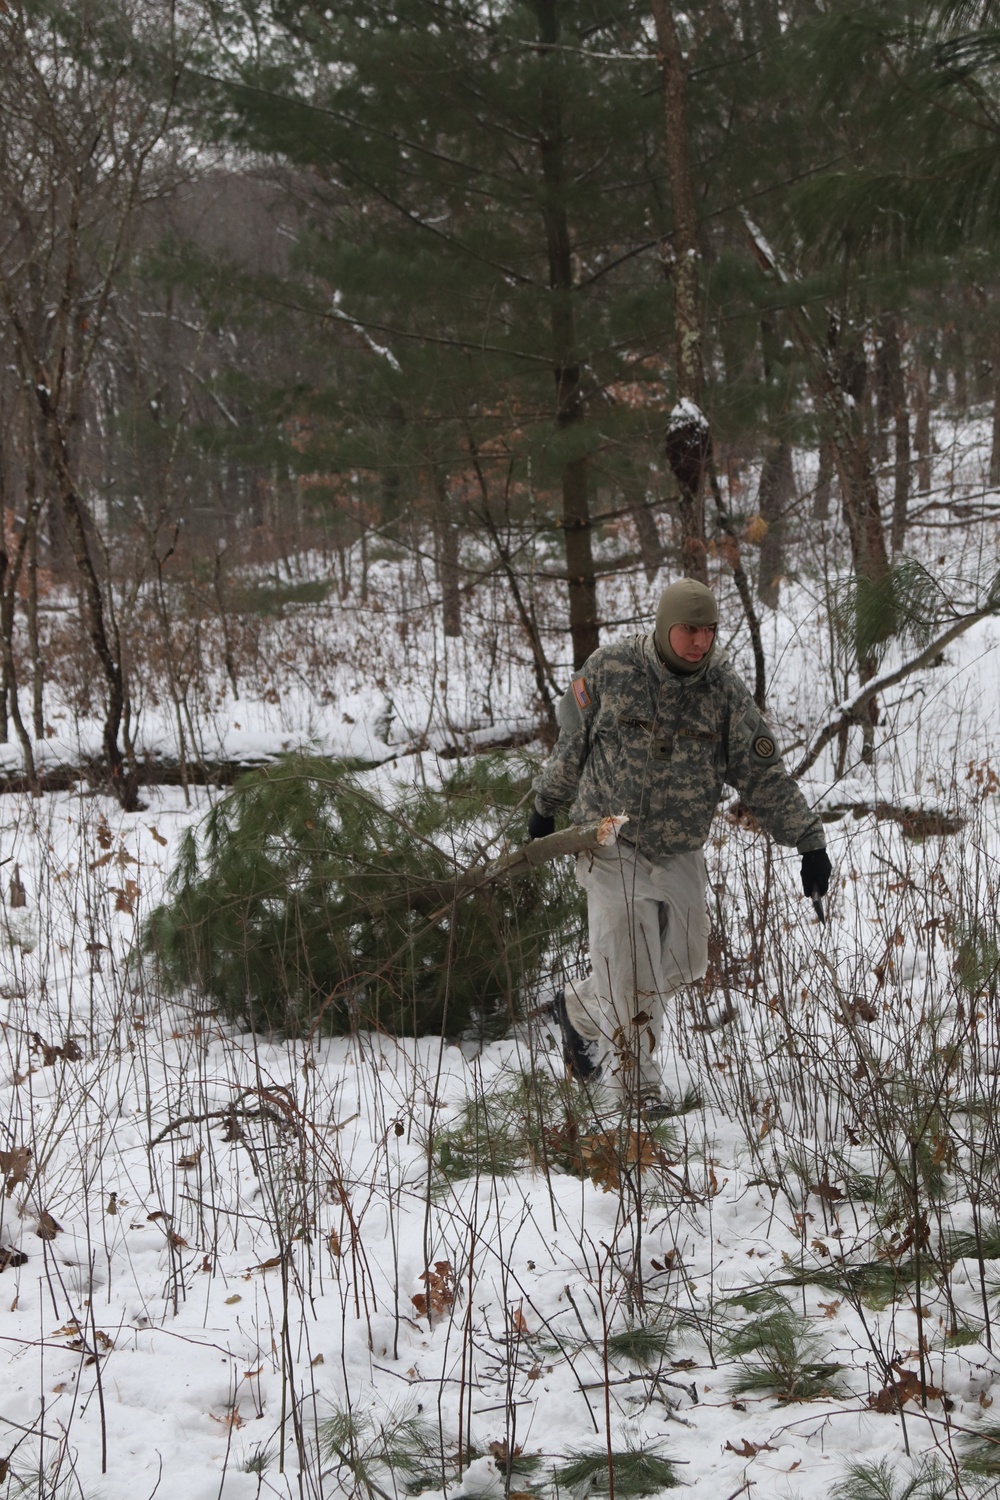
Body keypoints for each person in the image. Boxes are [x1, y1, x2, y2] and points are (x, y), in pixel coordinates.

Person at [528, 578, 831, 1111]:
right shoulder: (610, 669)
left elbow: (764, 776)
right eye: (689, 629)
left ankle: (578, 1008)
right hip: (608, 841)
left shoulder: (723, 693)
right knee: (631, 965)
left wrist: (808, 841)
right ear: (666, 625)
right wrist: (544, 805)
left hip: (679, 847)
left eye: (709, 630)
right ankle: (637, 1092)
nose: (700, 641)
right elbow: (571, 746)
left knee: (688, 961)